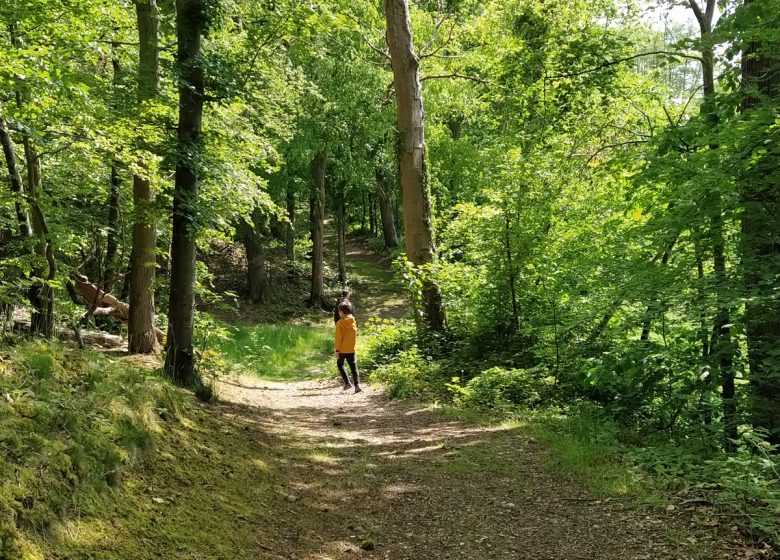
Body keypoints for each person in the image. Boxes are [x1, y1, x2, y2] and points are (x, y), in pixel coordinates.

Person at [335, 301, 361, 393]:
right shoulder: (353, 321)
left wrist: (337, 350)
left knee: (340, 364)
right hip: (351, 349)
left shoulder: (340, 324)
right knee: (353, 367)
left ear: (342, 312)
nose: (338, 313)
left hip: (342, 350)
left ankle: (347, 383)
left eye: (339, 311)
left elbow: (338, 338)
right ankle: (357, 385)